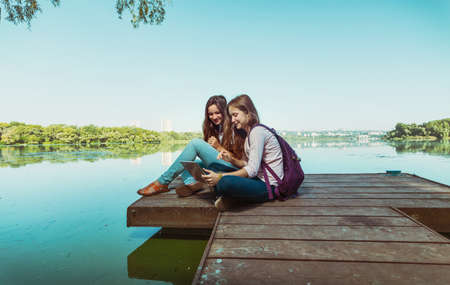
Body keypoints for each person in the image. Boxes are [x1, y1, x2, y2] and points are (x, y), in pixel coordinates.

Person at [137, 95, 238, 197]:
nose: (214, 117)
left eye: (217, 113)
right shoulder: (216, 129)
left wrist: (218, 147)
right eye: (210, 114)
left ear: (224, 112)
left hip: (233, 168)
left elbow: (237, 159)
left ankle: (162, 182)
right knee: (188, 164)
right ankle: (193, 184)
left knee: (195, 143)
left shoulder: (234, 127)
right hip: (219, 165)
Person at [201, 94, 284, 209]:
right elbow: (245, 164)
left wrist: (220, 176)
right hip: (256, 179)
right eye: (231, 116)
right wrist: (231, 159)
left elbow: (251, 170)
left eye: (235, 115)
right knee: (213, 166)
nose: (232, 120)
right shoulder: (250, 134)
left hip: (269, 186)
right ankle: (231, 197)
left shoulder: (258, 132)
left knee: (225, 182)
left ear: (248, 113)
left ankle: (231, 197)